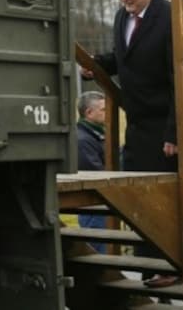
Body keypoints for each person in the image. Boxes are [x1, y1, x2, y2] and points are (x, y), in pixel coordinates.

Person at [82, 0, 183, 288]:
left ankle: (172, 266)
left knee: (165, 203)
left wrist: (176, 132)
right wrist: (98, 65)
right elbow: (126, 57)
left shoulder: (173, 20)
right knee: (140, 202)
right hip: (137, 127)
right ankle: (152, 266)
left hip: (167, 127)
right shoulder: (123, 17)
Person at [76, 91, 108, 253]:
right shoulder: (82, 140)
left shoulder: (96, 134)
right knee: (96, 248)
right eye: (103, 109)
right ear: (89, 112)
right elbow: (95, 172)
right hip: (93, 204)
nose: (108, 113)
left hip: (100, 203)